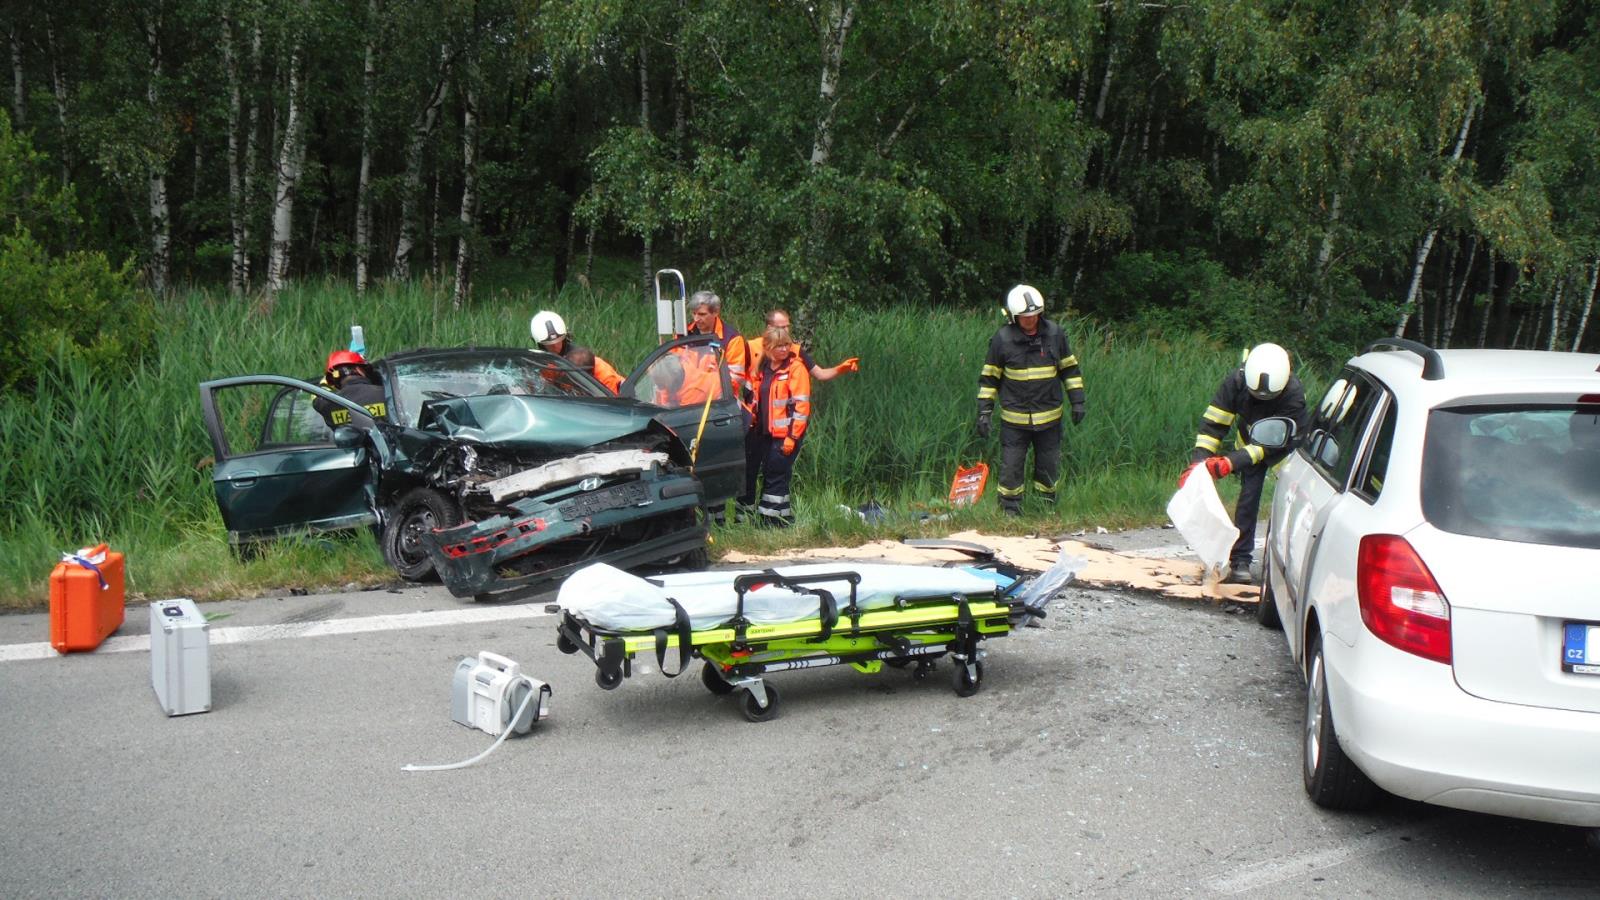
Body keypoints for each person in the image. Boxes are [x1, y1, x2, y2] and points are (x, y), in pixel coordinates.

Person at [1181, 342, 1309, 584]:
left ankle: (1292, 566)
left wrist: (1231, 461)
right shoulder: (1236, 382)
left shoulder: (1294, 396)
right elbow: (1214, 425)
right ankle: (1240, 560)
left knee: (1292, 502)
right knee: (1249, 497)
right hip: (1250, 442)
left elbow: (1271, 445)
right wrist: (1198, 464)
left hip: (1285, 449)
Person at [975, 284, 1087, 517]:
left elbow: (1069, 369)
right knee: (1011, 466)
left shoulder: (1055, 334)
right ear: (1014, 317)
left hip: (1050, 418)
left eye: (1034, 315)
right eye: (1025, 317)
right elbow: (989, 378)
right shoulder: (1002, 340)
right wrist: (984, 412)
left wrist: (1077, 401)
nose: (1031, 320)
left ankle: (1045, 506)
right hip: (1014, 420)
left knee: (1049, 464)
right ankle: (1010, 510)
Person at [738, 326, 811, 527]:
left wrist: (792, 437)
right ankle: (779, 518)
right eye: (778, 346)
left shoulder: (796, 368)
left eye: (786, 344)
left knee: (775, 474)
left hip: (784, 434)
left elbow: (801, 407)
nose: (784, 349)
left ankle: (771, 522)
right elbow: (751, 397)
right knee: (761, 472)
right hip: (762, 432)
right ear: (767, 348)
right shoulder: (762, 368)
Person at [746, 309, 859, 382]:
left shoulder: (795, 350)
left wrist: (840, 369)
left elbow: (820, 374)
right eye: (781, 327)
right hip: (754, 413)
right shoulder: (751, 347)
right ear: (769, 328)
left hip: (782, 414)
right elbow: (736, 378)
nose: (786, 330)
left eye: (787, 326)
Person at [529, 310, 623, 393]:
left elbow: (612, 407)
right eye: (548, 343)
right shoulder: (552, 366)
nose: (554, 346)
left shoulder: (604, 376)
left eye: (559, 340)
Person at [686, 290, 750, 395]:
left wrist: (699, 385)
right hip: (686, 400)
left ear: (716, 312)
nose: (696, 319)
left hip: (719, 402)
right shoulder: (683, 335)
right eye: (694, 313)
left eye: (702, 314)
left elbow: (735, 379)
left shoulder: (732, 339)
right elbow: (674, 373)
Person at [313, 350, 387, 428]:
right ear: (358, 369)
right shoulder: (385, 392)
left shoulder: (327, 404)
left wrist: (325, 382)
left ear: (334, 379)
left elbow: (317, 396)